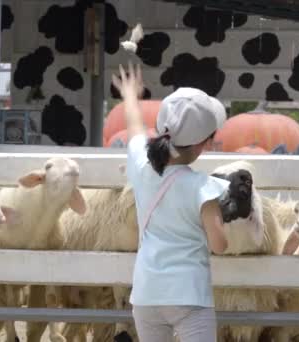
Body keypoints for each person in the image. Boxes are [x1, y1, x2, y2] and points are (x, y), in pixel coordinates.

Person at [112, 62, 229, 342]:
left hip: (146, 294)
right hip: (188, 295)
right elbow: (219, 245)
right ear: (205, 143)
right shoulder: (204, 188)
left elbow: (134, 126)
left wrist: (130, 95)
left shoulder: (142, 165)